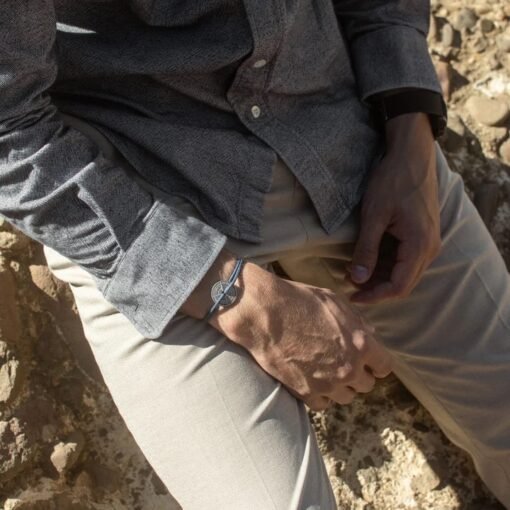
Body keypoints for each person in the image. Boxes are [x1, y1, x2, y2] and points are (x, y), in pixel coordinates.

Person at [1, 1, 509, 508]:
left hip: (350, 145)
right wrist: (232, 293)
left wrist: (410, 133)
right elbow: (8, 131)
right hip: (143, 200)